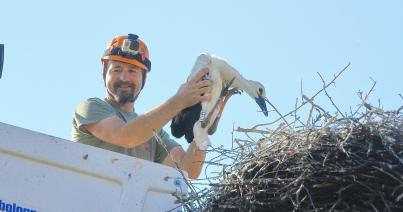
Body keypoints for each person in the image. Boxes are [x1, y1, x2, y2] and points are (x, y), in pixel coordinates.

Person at [71, 33, 211, 179]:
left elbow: (187, 170)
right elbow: (126, 136)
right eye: (117, 70)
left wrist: (204, 124)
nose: (124, 78)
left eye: (132, 71)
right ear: (104, 73)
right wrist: (179, 101)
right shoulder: (90, 107)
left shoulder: (153, 133)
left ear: (144, 77)